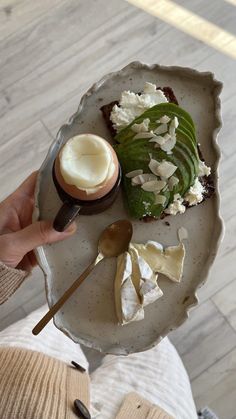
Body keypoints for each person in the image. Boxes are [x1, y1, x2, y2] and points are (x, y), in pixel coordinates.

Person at [0, 172, 198, 419]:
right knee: (157, 351)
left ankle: (64, 309)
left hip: (21, 380)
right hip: (142, 409)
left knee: (51, 320)